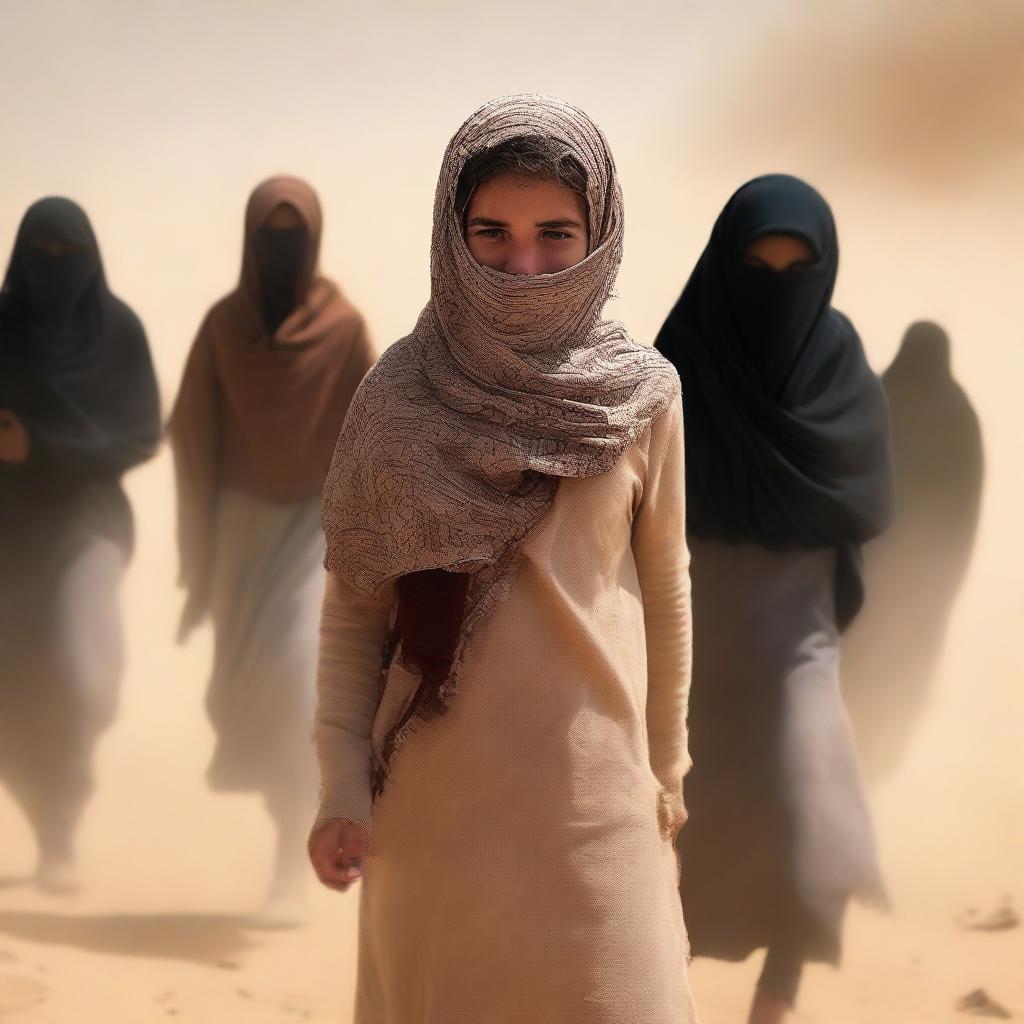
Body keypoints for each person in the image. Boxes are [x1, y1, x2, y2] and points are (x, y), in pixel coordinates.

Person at [309, 94, 698, 1023]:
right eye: (493, 233)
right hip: (435, 812)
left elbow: (666, 588)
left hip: (599, 808)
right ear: (452, 231)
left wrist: (668, 775)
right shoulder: (396, 395)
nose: (523, 268)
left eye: (556, 234)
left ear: (599, 235)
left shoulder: (644, 396)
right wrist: (337, 789)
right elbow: (355, 611)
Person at [654, 174, 894, 1024]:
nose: (776, 286)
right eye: (757, 266)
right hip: (690, 622)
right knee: (677, 815)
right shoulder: (679, 362)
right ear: (724, 266)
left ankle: (778, 998)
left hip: (799, 624)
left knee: (808, 797)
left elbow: (864, 496)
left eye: (797, 269)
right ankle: (649, 987)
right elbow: (634, 499)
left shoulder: (837, 365)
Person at [169, 176, 374, 927]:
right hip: (238, 532)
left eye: (294, 234)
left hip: (313, 532)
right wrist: (196, 561)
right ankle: (282, 825)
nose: (281, 249)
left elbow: (375, 434)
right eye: (270, 236)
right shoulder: (224, 328)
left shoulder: (344, 328)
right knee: (246, 699)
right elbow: (192, 435)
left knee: (297, 685)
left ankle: (292, 858)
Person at [0, 197, 161, 893]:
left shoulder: (117, 331)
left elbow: (139, 435)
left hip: (87, 522)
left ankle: (64, 828)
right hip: (9, 529)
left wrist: (39, 448)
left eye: (69, 256)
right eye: (44, 255)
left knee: (76, 670)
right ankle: (51, 837)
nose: (55, 271)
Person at [842, 320, 984, 781]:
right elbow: (967, 501)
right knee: (902, 670)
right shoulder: (958, 415)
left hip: (873, 575)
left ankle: (858, 769)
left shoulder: (878, 399)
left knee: (861, 670)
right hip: (918, 585)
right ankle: (871, 769)